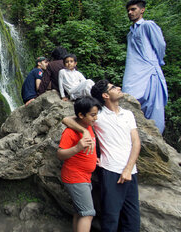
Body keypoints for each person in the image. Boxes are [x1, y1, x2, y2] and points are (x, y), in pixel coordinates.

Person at [62, 80, 141, 231]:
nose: (118, 88)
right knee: (111, 217)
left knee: (132, 219)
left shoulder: (128, 114)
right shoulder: (98, 116)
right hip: (110, 170)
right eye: (113, 87)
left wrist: (128, 169)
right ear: (105, 95)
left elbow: (136, 142)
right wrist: (84, 130)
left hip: (131, 171)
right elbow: (66, 119)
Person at [122, 0, 167, 133]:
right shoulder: (130, 33)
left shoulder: (148, 25)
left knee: (154, 103)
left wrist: (155, 62)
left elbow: (160, 45)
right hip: (134, 70)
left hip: (149, 68)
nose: (130, 12)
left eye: (133, 9)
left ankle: (155, 133)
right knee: (128, 95)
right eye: (128, 10)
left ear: (142, 10)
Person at [57, 97, 101, 232]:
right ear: (81, 115)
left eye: (96, 114)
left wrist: (94, 159)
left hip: (84, 176)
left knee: (79, 212)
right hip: (75, 177)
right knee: (87, 213)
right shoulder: (70, 132)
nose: (96, 118)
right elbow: (60, 154)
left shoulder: (87, 126)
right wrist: (77, 147)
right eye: (92, 115)